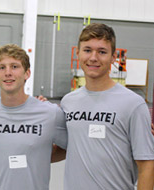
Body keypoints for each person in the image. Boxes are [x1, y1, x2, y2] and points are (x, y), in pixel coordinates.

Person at [60, 23, 154, 190]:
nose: (93, 57)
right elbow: (63, 147)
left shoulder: (133, 104)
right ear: (78, 53)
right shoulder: (68, 102)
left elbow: (147, 164)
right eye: (87, 50)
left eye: (102, 52)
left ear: (113, 57)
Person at [0, 44, 67, 190]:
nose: (8, 73)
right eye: (2, 67)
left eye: (14, 66)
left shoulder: (49, 113)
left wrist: (38, 157)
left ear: (27, 73)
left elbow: (70, 147)